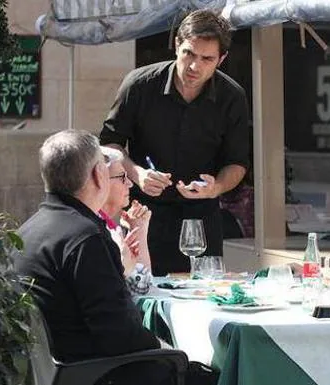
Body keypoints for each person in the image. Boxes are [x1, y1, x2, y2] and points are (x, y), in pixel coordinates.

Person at [13, 131, 171, 384]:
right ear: (99, 174)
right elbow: (120, 335)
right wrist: (169, 347)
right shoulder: (85, 237)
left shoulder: (26, 231)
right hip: (91, 371)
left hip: (52, 372)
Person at [100, 10, 250, 276]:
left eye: (207, 59)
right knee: (135, 292)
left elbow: (237, 163)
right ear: (177, 44)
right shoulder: (139, 85)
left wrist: (216, 188)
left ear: (221, 59)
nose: (195, 66)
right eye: (189, 54)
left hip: (201, 217)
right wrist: (137, 173)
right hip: (142, 214)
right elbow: (110, 145)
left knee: (201, 298)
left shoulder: (232, 97)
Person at [100, 146, 153, 295]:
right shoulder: (93, 229)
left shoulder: (105, 224)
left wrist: (139, 229)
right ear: (100, 181)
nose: (130, 184)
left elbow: (143, 284)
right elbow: (141, 289)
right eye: (122, 177)